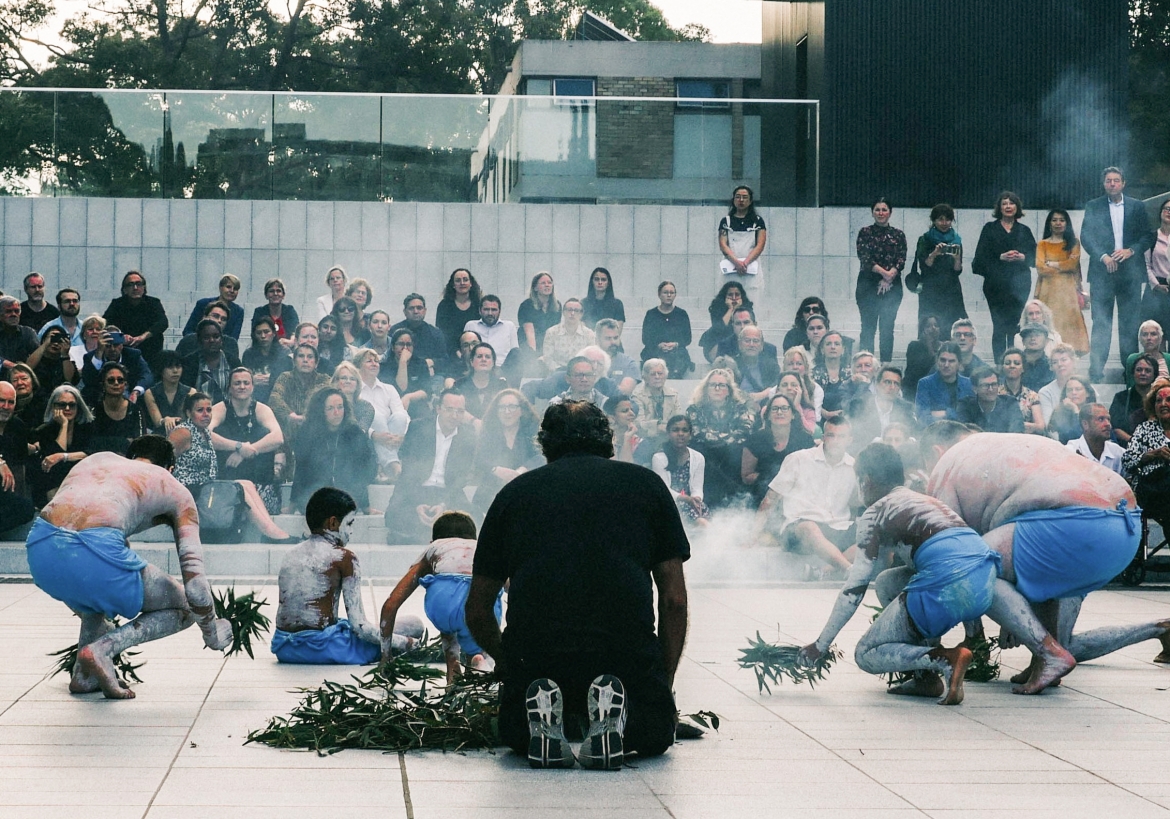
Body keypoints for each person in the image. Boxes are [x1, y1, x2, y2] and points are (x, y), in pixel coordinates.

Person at [466, 400, 689, 769]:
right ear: (609, 441)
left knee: (516, 730)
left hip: (538, 659)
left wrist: (510, 666)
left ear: (545, 444)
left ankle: (545, 716)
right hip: (624, 661)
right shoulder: (647, 487)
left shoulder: (514, 495)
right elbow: (674, 601)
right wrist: (660, 685)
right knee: (653, 732)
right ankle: (615, 719)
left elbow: (477, 609)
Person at [800, 443, 1077, 703]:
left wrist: (821, 645)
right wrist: (974, 631)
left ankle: (945, 659)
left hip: (950, 586)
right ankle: (928, 679)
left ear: (866, 480)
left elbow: (854, 587)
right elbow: (965, 559)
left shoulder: (874, 513)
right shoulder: (925, 501)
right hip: (985, 582)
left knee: (865, 653)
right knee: (888, 582)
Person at [925, 425, 1170, 687]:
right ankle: (1160, 628)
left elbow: (955, 557)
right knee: (1062, 645)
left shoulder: (948, 464)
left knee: (974, 568)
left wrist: (983, 632)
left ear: (935, 451)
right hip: (1125, 526)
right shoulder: (1010, 444)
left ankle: (1046, 654)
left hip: (1071, 525)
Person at [25, 438, 232, 699]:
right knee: (184, 607)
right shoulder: (172, 486)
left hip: (39, 549)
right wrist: (213, 633)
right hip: (92, 555)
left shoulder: (97, 459)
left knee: (96, 599)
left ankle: (83, 676)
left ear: (128, 456)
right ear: (170, 468)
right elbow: (196, 589)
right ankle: (103, 649)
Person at [272, 487, 415, 664]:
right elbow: (360, 627)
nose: (351, 531)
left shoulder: (290, 554)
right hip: (324, 649)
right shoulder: (344, 557)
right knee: (414, 626)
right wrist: (408, 643)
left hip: (285, 648)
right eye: (349, 524)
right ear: (333, 523)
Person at [379, 511, 498, 682]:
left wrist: (386, 656)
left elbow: (391, 604)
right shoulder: (483, 548)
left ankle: (453, 669)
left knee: (449, 623)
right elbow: (512, 588)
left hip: (443, 600)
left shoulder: (434, 548)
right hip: (482, 600)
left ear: (433, 541)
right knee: (485, 630)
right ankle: (479, 657)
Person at [169, 392, 292, 540]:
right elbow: (164, 458)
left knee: (246, 484)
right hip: (189, 491)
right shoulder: (184, 432)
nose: (206, 414)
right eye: (200, 410)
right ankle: (273, 534)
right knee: (240, 485)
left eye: (209, 410)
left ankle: (271, 531)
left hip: (206, 489)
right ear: (189, 413)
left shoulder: (205, 433)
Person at [752, 415, 858, 577]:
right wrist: (753, 534)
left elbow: (857, 503)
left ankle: (823, 572)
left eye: (841, 436)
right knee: (809, 527)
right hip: (799, 530)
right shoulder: (798, 459)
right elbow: (771, 498)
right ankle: (850, 570)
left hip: (838, 527)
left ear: (849, 440)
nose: (836, 441)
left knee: (874, 532)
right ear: (823, 437)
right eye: (831, 435)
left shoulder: (855, 466)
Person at [1081, 167, 1154, 381]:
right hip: (1103, 273)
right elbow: (1086, 236)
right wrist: (1103, 256)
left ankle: (1130, 369)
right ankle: (1095, 370)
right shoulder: (1093, 206)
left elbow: (1147, 236)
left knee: (1129, 324)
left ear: (1123, 183)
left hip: (1130, 274)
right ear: (1104, 184)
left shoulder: (1137, 206)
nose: (1112, 184)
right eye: (1108, 181)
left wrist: (1130, 250)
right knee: (1101, 323)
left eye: (1116, 180)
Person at [384, 390, 477, 544]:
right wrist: (417, 504)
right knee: (394, 515)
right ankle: (422, 533)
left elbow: (461, 478)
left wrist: (443, 504)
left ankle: (423, 533)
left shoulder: (467, 435)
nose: (454, 416)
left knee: (473, 517)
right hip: (415, 487)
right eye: (449, 410)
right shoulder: (418, 427)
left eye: (460, 411)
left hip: (448, 491)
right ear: (438, 408)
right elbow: (408, 472)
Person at [209, 368, 286, 515]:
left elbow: (278, 438)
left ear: (253, 387)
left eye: (246, 383)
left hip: (259, 479)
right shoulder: (220, 409)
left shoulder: (262, 409)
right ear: (229, 388)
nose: (242, 386)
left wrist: (246, 452)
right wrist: (238, 446)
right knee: (221, 432)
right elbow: (205, 435)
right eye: (237, 383)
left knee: (264, 434)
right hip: (228, 477)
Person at [291, 387, 378, 514]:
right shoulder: (307, 433)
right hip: (313, 494)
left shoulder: (354, 432)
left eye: (340, 407)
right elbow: (301, 470)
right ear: (320, 411)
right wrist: (292, 506)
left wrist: (366, 507)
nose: (337, 412)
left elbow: (360, 472)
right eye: (330, 408)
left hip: (346, 494)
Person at [972, 191, 1037, 362]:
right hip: (996, 286)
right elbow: (978, 261)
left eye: (1012, 203)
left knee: (1016, 325)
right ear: (999, 208)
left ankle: (1015, 362)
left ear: (1017, 207)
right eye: (1004, 203)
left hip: (1020, 284)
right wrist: (999, 257)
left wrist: (1023, 257)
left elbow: (1036, 257)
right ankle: (1000, 365)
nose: (1008, 206)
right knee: (1000, 326)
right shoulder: (989, 229)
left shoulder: (1024, 230)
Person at [686, 368, 755, 508]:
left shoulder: (739, 407)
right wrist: (725, 438)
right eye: (713, 385)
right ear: (706, 388)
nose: (717, 388)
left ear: (729, 389)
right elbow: (697, 432)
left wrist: (720, 439)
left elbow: (745, 429)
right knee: (701, 453)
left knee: (736, 451)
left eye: (722, 385)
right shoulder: (694, 408)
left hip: (731, 450)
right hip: (705, 450)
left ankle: (733, 500)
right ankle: (716, 499)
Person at [472, 389, 542, 515]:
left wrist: (520, 472)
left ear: (521, 410)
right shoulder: (489, 431)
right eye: (502, 407)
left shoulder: (531, 430)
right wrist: (497, 470)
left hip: (526, 489)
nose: (507, 412)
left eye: (512, 407)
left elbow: (540, 456)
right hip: (490, 492)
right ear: (496, 411)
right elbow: (479, 458)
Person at [855, 197, 906, 364]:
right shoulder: (865, 232)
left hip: (892, 287)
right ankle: (865, 364)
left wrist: (890, 277)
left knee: (887, 328)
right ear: (872, 212)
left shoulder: (898, 234)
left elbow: (901, 258)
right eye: (877, 209)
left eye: (884, 209)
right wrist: (884, 273)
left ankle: (885, 364)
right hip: (867, 286)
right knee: (868, 328)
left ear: (890, 212)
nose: (881, 213)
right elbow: (864, 257)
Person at [742, 393, 815, 506]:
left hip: (796, 496)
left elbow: (811, 474)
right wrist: (773, 480)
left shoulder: (805, 440)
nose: (779, 412)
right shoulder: (755, 439)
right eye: (775, 409)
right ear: (768, 416)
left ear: (793, 414)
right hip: (761, 494)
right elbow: (746, 476)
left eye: (784, 408)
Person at [1034, 209, 1089, 355]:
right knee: (1050, 324)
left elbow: (1072, 265)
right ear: (1049, 224)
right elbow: (1040, 267)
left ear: (1067, 223)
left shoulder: (1073, 243)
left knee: (1069, 332)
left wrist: (1052, 263)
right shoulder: (1042, 244)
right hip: (1047, 292)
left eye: (1062, 220)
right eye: (1054, 220)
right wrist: (1062, 266)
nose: (1058, 223)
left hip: (1068, 294)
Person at [29, 384, 93, 508]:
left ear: (78, 407)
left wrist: (62, 456)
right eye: (62, 405)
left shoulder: (87, 427)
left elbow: (91, 453)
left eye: (72, 405)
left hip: (82, 477)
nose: (67, 408)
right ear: (54, 407)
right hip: (55, 481)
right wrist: (64, 425)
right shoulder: (44, 431)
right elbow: (54, 462)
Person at [353, 347, 410, 482]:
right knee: (375, 415)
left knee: (400, 416)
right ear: (358, 366)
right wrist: (373, 434)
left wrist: (400, 436)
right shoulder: (355, 390)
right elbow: (353, 421)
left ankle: (385, 466)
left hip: (392, 437)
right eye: (369, 361)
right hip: (366, 437)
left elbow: (402, 416)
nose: (374, 364)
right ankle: (394, 466)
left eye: (376, 361)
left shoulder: (389, 389)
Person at [911, 204, 967, 334]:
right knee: (929, 326)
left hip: (951, 290)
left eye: (948, 219)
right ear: (934, 220)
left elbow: (957, 270)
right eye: (940, 219)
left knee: (952, 326)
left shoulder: (956, 240)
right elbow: (924, 266)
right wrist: (934, 253)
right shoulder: (924, 239)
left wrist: (957, 258)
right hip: (931, 290)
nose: (944, 223)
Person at [1122, 378, 1170, 523]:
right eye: (1158, 401)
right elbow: (1127, 461)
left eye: (1168, 400)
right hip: (1151, 491)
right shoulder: (1144, 429)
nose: (1163, 404)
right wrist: (1152, 454)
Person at [101, 270, 168, 371]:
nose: (135, 288)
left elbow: (163, 322)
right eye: (130, 285)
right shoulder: (117, 304)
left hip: (151, 352)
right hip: (125, 352)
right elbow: (106, 324)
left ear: (144, 287)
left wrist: (143, 337)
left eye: (138, 284)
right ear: (124, 289)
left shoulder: (154, 303)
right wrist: (122, 337)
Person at [651, 414, 710, 526]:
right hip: (669, 503)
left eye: (685, 430)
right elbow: (664, 490)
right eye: (675, 430)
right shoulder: (659, 458)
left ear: (690, 434)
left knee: (702, 512)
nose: (680, 434)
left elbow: (697, 488)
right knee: (701, 523)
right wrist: (685, 499)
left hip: (691, 502)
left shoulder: (698, 457)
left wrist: (696, 499)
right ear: (668, 433)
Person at [269, 343, 331, 444]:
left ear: (316, 363)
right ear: (294, 361)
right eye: (301, 356)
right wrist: (291, 415)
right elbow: (275, 398)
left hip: (316, 435)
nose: (305, 360)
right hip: (288, 433)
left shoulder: (324, 380)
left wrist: (308, 417)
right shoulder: (285, 377)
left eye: (310, 357)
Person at [847, 365, 917, 451]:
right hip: (868, 454)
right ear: (876, 384)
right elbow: (855, 438)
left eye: (896, 384)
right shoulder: (859, 405)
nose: (892, 387)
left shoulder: (906, 408)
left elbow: (913, 434)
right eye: (887, 382)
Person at [79, 325, 152, 407]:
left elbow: (146, 375)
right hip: (100, 400)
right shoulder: (91, 357)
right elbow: (88, 380)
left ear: (122, 345)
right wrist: (98, 353)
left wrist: (136, 391)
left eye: (116, 345)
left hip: (130, 396)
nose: (112, 349)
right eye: (108, 346)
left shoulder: (133, 355)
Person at [89, 362, 148, 454]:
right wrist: (125, 442)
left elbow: (141, 443)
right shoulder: (94, 410)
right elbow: (91, 443)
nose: (116, 383)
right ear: (103, 384)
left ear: (125, 384)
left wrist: (105, 441)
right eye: (111, 380)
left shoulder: (135, 410)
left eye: (120, 380)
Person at [180, 319, 241, 405]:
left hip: (228, 412)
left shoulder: (233, 362)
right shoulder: (189, 362)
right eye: (206, 337)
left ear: (221, 340)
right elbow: (184, 395)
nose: (212, 340)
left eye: (216, 337)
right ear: (199, 341)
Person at [0, 381, 34, 531]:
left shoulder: (17, 427)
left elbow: (19, 467)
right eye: (1, 401)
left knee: (26, 508)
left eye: (10, 402)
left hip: (3, 491)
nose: (6, 407)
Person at [640, 281, 692, 378]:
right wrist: (659, 345)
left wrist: (675, 344)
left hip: (676, 350)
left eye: (671, 293)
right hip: (655, 349)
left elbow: (687, 338)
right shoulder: (651, 314)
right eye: (665, 292)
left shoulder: (682, 314)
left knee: (680, 355)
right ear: (659, 295)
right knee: (650, 355)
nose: (669, 295)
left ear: (675, 295)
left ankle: (675, 376)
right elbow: (646, 338)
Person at [914, 342, 973, 424]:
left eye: (951, 361)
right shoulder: (925, 384)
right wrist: (956, 414)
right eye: (943, 360)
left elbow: (970, 416)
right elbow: (922, 418)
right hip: (935, 433)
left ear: (959, 363)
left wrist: (946, 413)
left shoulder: (968, 384)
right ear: (937, 361)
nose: (946, 365)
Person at [630, 358, 680, 453]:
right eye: (653, 374)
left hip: (669, 438)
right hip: (645, 440)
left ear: (665, 376)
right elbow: (638, 424)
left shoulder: (673, 394)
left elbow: (677, 420)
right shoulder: (637, 396)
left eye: (660, 373)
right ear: (645, 378)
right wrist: (658, 426)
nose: (657, 377)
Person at [390, 293, 448, 374]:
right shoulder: (395, 331)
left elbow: (445, 360)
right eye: (411, 308)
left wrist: (431, 362)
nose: (415, 311)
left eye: (419, 308)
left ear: (425, 311)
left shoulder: (435, 333)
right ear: (405, 312)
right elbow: (390, 357)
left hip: (428, 375)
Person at [718, 185, 767, 281]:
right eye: (738, 197)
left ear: (750, 200)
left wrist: (745, 263)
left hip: (751, 268)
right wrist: (736, 263)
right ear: (733, 199)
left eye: (745, 197)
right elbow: (723, 245)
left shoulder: (758, 221)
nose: (741, 200)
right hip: (730, 267)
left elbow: (760, 245)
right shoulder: (726, 221)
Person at [957, 367, 1025, 433]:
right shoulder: (965, 405)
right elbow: (965, 432)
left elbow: (1017, 431)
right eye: (985, 385)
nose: (991, 389)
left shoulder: (1010, 403)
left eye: (994, 384)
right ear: (975, 389)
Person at [451, 342, 508, 420]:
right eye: (479, 356)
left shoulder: (501, 386)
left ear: (493, 363)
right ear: (471, 362)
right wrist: (473, 421)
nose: (483, 359)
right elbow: (454, 410)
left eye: (487, 357)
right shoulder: (459, 385)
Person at [1111, 353, 1159, 444]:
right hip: (1127, 446)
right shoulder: (1121, 398)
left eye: (1148, 371)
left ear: (1154, 375)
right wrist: (1136, 443)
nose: (1143, 373)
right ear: (1133, 373)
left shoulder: (1160, 399)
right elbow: (1115, 428)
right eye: (1139, 370)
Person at [241, 316, 291, 404]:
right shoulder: (248, 354)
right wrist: (251, 380)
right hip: (254, 399)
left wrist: (272, 379)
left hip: (280, 398)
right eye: (259, 333)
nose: (263, 336)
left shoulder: (284, 353)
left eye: (266, 332)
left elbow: (289, 380)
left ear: (274, 333)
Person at [700, 282, 753, 363]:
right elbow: (719, 327)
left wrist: (739, 308)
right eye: (730, 295)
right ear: (725, 296)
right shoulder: (716, 307)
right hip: (716, 341)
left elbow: (748, 327)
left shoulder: (747, 309)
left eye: (737, 294)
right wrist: (731, 309)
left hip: (737, 340)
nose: (734, 298)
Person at [1067, 403, 1125, 475]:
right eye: (1101, 419)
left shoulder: (1118, 452)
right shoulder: (1070, 451)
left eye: (1108, 419)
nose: (1108, 424)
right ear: (1085, 424)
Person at [386, 328, 434, 416]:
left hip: (417, 408)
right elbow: (401, 388)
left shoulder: (421, 364)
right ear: (393, 347)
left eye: (408, 344)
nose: (405, 348)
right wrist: (403, 362)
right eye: (400, 344)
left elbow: (427, 392)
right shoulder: (385, 366)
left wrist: (409, 397)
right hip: (392, 409)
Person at [182, 274, 244, 340]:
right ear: (220, 288)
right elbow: (188, 330)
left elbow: (233, 338)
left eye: (235, 289)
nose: (232, 291)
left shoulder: (239, 311)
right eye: (228, 287)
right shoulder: (203, 304)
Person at [1141, 198, 1170, 336]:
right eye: (1167, 209)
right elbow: (1146, 264)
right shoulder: (1151, 237)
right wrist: (1157, 285)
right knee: (1155, 334)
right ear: (1161, 212)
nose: (1169, 212)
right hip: (1156, 290)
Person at [436, 268, 482, 356]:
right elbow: (442, 333)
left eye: (465, 280)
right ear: (453, 285)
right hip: (450, 352)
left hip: (476, 351)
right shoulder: (444, 306)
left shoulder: (478, 304)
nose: (462, 283)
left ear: (471, 283)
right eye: (458, 280)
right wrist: (456, 351)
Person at [541, 298, 595, 373]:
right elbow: (547, 358)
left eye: (576, 311)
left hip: (581, 374)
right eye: (569, 310)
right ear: (563, 312)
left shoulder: (589, 334)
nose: (572, 313)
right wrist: (559, 370)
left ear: (581, 314)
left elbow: (591, 359)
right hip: (557, 373)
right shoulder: (551, 332)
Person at [999, 348, 1045, 435]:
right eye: (1007, 363)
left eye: (1017, 363)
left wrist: (1021, 426)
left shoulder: (1032, 396)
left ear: (1023, 368)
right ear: (1003, 368)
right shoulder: (995, 393)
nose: (1012, 366)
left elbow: (1040, 426)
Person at [464, 294, 519, 366]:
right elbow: (464, 351)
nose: (490, 313)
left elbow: (515, 353)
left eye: (494, 310)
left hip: (503, 368)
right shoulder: (471, 326)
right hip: (477, 368)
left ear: (499, 311)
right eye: (486, 309)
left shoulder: (509, 326)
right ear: (480, 311)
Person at [518, 272, 561, 358]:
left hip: (548, 345)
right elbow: (529, 332)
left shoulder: (557, 306)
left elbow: (556, 330)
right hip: (529, 345)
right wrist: (534, 355)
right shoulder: (527, 305)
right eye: (543, 283)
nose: (547, 285)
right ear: (535, 288)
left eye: (549, 283)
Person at [732, 325, 780, 403]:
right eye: (747, 340)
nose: (751, 345)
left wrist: (762, 394)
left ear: (761, 345)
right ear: (740, 344)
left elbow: (779, 384)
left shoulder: (771, 365)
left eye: (755, 341)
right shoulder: (732, 364)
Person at [812, 331, 854, 419]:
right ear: (822, 350)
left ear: (843, 350)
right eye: (828, 344)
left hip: (846, 418)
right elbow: (809, 400)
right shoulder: (812, 374)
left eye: (837, 344)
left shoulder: (851, 374)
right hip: (819, 418)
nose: (833, 347)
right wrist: (825, 413)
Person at [1037, 343, 1079, 425]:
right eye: (1055, 362)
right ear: (1051, 367)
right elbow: (1048, 424)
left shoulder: (1087, 388)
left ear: (1073, 361)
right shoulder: (1045, 392)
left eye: (1064, 360)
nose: (1060, 364)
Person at [0, 295, 42, 377]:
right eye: (8, 311)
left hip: (24, 378)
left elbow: (38, 357)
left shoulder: (28, 333)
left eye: (16, 311)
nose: (13, 314)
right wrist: (13, 366)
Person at [902, 315, 942, 402]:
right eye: (928, 326)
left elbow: (938, 368)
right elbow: (916, 370)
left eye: (936, 325)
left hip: (935, 391)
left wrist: (930, 346)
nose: (933, 328)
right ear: (922, 329)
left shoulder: (943, 347)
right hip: (914, 390)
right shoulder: (914, 346)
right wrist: (928, 343)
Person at [594, 318, 640, 393]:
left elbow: (624, 391)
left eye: (616, 338)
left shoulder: (629, 363)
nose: (613, 342)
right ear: (597, 340)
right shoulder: (586, 360)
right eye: (608, 338)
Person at [1046, 377, 1096, 444]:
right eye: (1069, 390)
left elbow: (1084, 438)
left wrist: (1076, 411)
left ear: (1087, 393)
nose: (1073, 393)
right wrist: (1074, 409)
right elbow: (1072, 437)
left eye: (1078, 389)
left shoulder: (1096, 413)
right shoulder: (1059, 413)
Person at [250, 278, 299, 346]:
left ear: (283, 295)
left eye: (278, 291)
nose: (275, 294)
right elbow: (255, 334)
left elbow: (295, 332)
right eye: (271, 291)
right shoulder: (259, 312)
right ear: (266, 295)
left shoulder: (289, 310)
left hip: (287, 349)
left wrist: (290, 341)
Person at [1125, 320, 1170, 386]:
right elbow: (1130, 388)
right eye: (1145, 334)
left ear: (1160, 338)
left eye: (1153, 334)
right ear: (1140, 339)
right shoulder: (1132, 359)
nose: (1149, 338)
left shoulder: (1168, 359)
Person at [777, 370, 819, 436]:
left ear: (800, 389)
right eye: (784, 385)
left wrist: (796, 407)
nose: (789, 388)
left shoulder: (809, 411)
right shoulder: (769, 409)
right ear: (778, 390)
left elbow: (809, 432)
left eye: (794, 385)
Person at [605, 394, 642, 464]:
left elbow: (626, 468)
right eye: (625, 411)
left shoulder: (639, 442)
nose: (632, 414)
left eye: (632, 409)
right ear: (611, 417)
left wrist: (627, 438)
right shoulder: (601, 440)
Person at [1018, 323, 1055, 390]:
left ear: (1046, 341)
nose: (1032, 338)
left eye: (1037, 335)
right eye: (1028, 335)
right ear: (1023, 341)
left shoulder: (1051, 365)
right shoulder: (1015, 364)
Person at [10, 362, 46, 428]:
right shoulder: (6, 405)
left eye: (24, 379)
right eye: (15, 380)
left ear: (33, 381)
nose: (19, 383)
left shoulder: (43, 404)